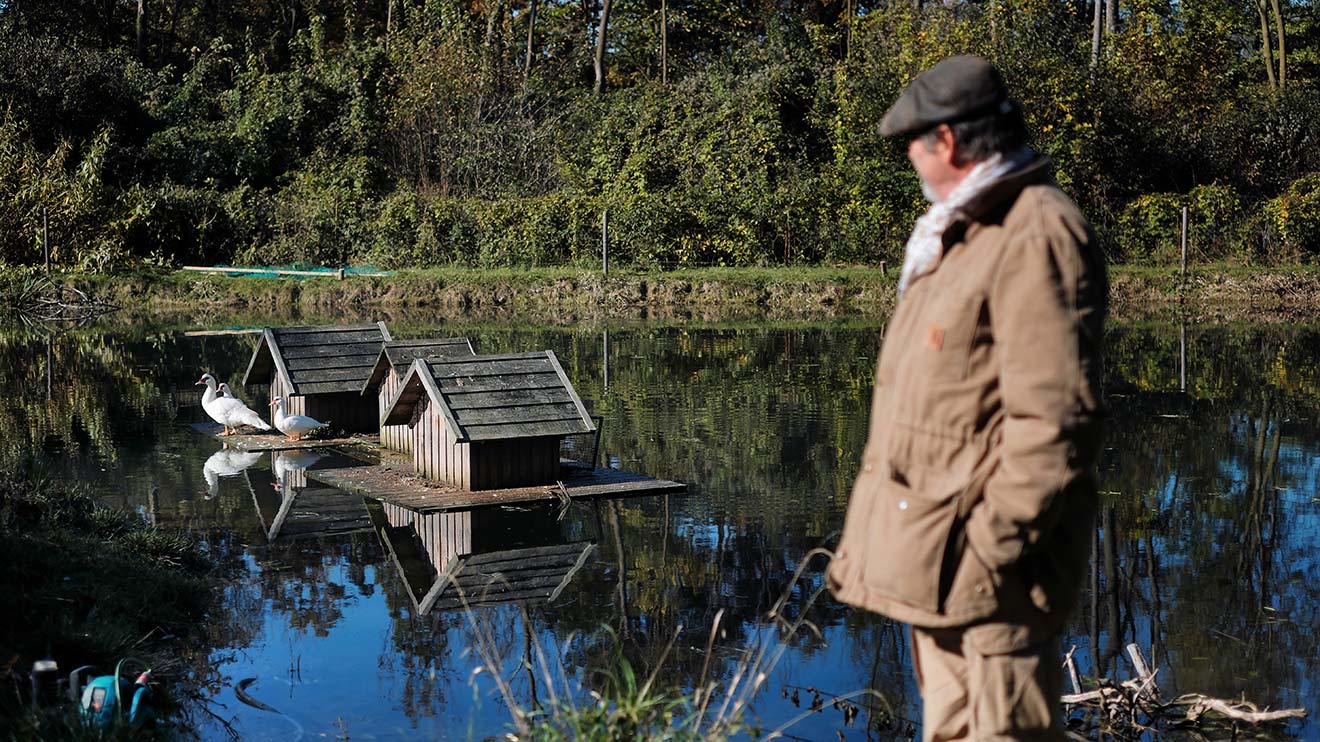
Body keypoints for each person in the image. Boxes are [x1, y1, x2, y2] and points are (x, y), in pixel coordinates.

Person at [827, 55, 1107, 742]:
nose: (913, 166)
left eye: (913, 150)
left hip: (990, 578)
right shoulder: (965, 233)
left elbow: (1053, 424)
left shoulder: (1033, 230)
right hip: (941, 570)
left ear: (946, 142)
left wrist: (988, 547)